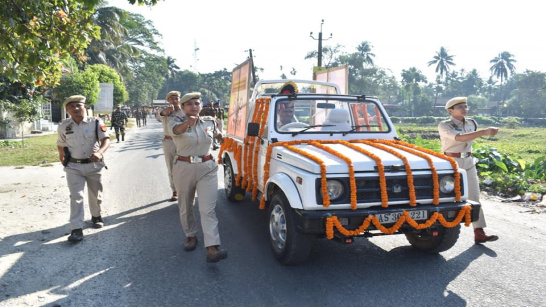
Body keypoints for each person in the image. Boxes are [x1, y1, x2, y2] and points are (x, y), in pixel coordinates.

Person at [168, 92, 227, 263]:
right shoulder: (175, 122)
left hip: (207, 168)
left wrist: (221, 137)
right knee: (186, 206)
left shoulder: (210, 121)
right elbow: (177, 131)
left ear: (201, 106)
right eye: (189, 104)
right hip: (184, 167)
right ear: (183, 107)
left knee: (207, 209)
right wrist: (188, 123)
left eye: (197, 103)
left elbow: (217, 135)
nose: (194, 106)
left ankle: (212, 247)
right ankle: (190, 235)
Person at [438, 96, 499, 244]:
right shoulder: (445, 125)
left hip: (469, 161)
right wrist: (484, 132)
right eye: (460, 107)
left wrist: (483, 131)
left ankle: (479, 232)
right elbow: (460, 138)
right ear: (450, 111)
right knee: (446, 197)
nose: (464, 109)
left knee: (474, 197)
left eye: (465, 106)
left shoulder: (472, 123)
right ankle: (440, 231)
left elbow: (469, 137)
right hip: (452, 162)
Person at [56, 95, 111, 242]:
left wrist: (99, 153)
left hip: (93, 165)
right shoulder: (63, 126)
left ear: (84, 107)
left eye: (78, 106)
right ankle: (76, 228)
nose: (75, 109)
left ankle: (96, 216)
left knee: (95, 194)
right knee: (76, 197)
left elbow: (106, 140)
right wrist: (62, 157)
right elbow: (61, 144)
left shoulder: (95, 122)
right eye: (71, 106)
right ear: (67, 110)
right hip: (74, 167)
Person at [157, 91, 185, 201]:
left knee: (185, 166)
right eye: (172, 98)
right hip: (169, 142)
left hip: (183, 141)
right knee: (171, 167)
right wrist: (165, 112)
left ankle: (185, 189)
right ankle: (175, 191)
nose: (175, 100)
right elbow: (159, 115)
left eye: (177, 98)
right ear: (168, 100)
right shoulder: (165, 111)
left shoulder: (184, 110)